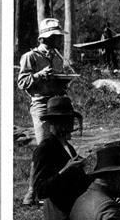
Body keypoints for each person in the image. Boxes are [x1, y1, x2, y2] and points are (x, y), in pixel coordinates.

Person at [17, 17, 76, 205]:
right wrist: (38, 76)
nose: (56, 41)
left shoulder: (56, 55)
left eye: (57, 37)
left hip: (58, 103)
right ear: (43, 38)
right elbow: (21, 82)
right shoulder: (31, 57)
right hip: (41, 104)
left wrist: (64, 80)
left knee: (61, 145)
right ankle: (33, 190)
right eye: (53, 37)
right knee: (44, 148)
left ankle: (54, 188)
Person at [32, 96, 90, 220]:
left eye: (70, 119)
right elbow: (40, 191)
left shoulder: (67, 147)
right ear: (54, 122)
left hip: (76, 211)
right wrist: (66, 170)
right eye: (65, 120)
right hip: (61, 215)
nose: (70, 124)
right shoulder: (44, 149)